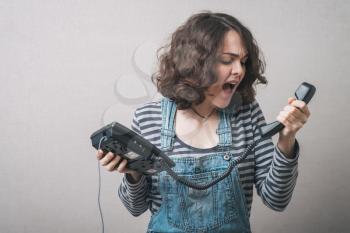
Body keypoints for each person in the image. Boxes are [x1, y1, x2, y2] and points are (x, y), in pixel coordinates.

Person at [96, 11, 311, 233]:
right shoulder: (148, 118)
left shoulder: (247, 115)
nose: (239, 71)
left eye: (243, 61)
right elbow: (135, 207)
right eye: (227, 60)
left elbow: (276, 199)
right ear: (194, 63)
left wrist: (287, 139)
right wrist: (133, 172)